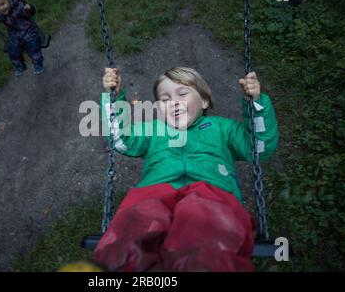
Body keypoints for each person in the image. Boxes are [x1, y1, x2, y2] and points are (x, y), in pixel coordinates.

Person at [93, 67, 279, 272]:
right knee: (140, 217)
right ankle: (127, 263)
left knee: (201, 218)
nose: (173, 102)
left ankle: (204, 265)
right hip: (156, 189)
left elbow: (259, 147)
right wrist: (114, 97)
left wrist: (256, 103)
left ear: (205, 101)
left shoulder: (222, 128)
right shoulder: (153, 129)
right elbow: (121, 139)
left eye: (182, 93)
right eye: (164, 99)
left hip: (212, 191)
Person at [0, 0, 44, 76]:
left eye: (3, 4)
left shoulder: (19, 7)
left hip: (28, 32)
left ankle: (38, 64)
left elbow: (30, 12)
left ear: (8, 0)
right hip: (15, 36)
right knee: (12, 51)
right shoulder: (1, 14)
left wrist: (29, 8)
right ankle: (19, 66)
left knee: (33, 47)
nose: (1, 8)